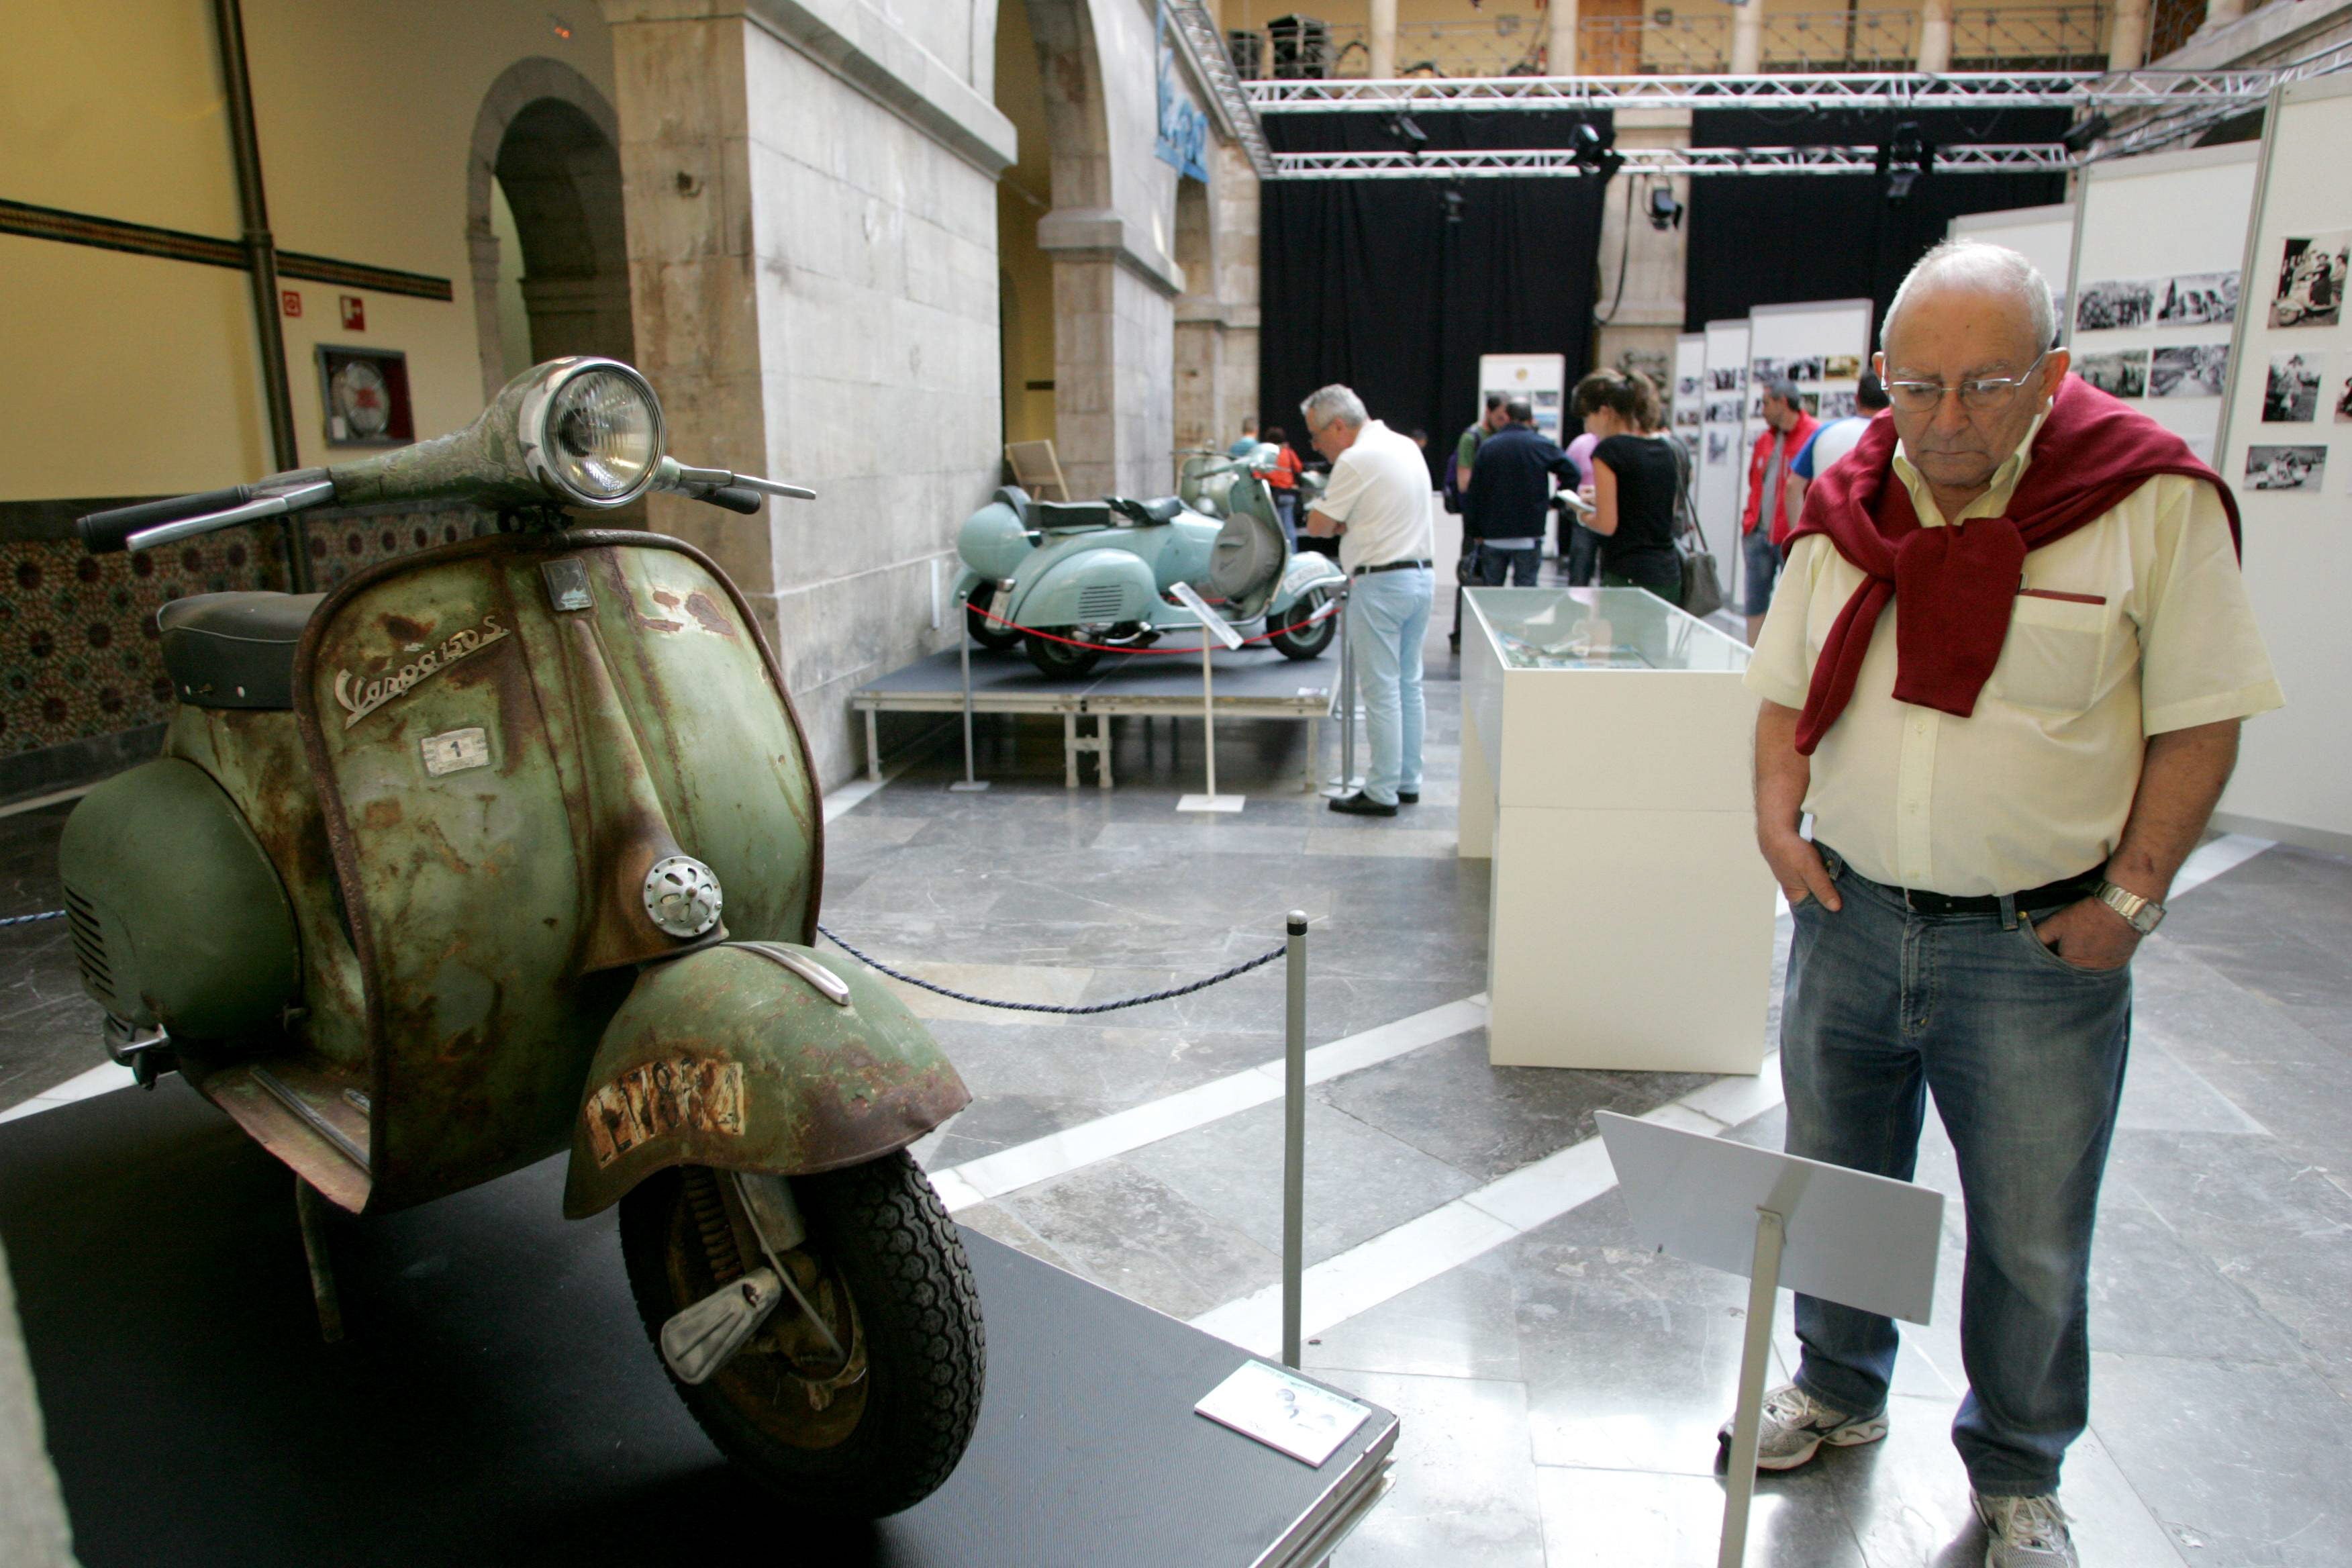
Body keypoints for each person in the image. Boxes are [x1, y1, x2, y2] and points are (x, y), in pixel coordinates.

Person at [1738, 240, 2282, 1568]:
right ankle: (1839, 1385)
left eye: (1985, 385)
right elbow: (1786, 679)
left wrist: (2134, 897)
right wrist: (1773, 815)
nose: (1947, 419)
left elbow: (2201, 717)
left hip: (2035, 946)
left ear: (2053, 372)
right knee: (1841, 1179)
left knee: (2034, 1227)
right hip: (1851, 919)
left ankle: (2021, 1470)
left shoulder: (2147, 499)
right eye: (1916, 386)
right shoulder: (1851, 489)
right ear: (1883, 378)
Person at [1302, 385, 1434, 818]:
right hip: (1421, 576)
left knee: (1380, 691)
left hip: (1381, 584)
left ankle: (1380, 792)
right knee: (1408, 684)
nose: (1317, 447)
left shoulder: (1356, 460)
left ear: (1338, 425)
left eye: (1317, 437)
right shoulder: (1404, 446)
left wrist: (1337, 522)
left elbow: (1320, 525)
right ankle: (1406, 780)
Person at [1567, 371, 1681, 601]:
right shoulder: (1665, 448)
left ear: (1605, 412)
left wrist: (1582, 514)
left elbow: (1607, 525)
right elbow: (1656, 507)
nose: (1588, 427)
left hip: (1627, 571)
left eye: (1588, 417)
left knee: (1621, 638)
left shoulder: (1609, 452)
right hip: (1668, 572)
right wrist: (1603, 497)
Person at [1463, 399, 1574, 588]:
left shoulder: (1488, 447)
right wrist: (1556, 502)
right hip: (1529, 532)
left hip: (1493, 534)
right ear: (1532, 419)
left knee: (1491, 594)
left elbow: (1474, 494)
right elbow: (1573, 473)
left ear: (1506, 418)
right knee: (1525, 594)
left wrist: (1474, 530)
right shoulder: (1541, 444)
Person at [1741, 376, 1818, 644]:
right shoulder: (1766, 440)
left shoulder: (1813, 436)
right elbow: (1756, 483)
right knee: (1754, 600)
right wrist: (1749, 522)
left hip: (1791, 538)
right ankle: (1750, 659)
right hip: (1758, 533)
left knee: (1794, 604)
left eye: (1765, 403)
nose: (1761, 410)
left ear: (1782, 402)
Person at [1447, 395, 1512, 650]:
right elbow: (1465, 484)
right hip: (1475, 520)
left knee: (1491, 580)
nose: (1504, 422)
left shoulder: (1499, 438)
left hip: (1496, 521)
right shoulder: (1471, 438)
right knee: (1470, 576)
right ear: (1489, 412)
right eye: (1500, 417)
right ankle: (1461, 637)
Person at [1786, 370, 1892, 524]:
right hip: (1870, 537)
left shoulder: (1825, 432)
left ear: (1857, 399)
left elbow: (1792, 486)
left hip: (1824, 533)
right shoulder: (1895, 437)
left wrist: (1798, 534)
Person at [1257, 425, 1306, 546]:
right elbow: (1298, 467)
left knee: (1275, 529)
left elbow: (1259, 473)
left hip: (1274, 495)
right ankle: (1293, 553)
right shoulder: (1288, 452)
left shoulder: (1268, 454)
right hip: (1289, 493)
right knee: (1289, 528)